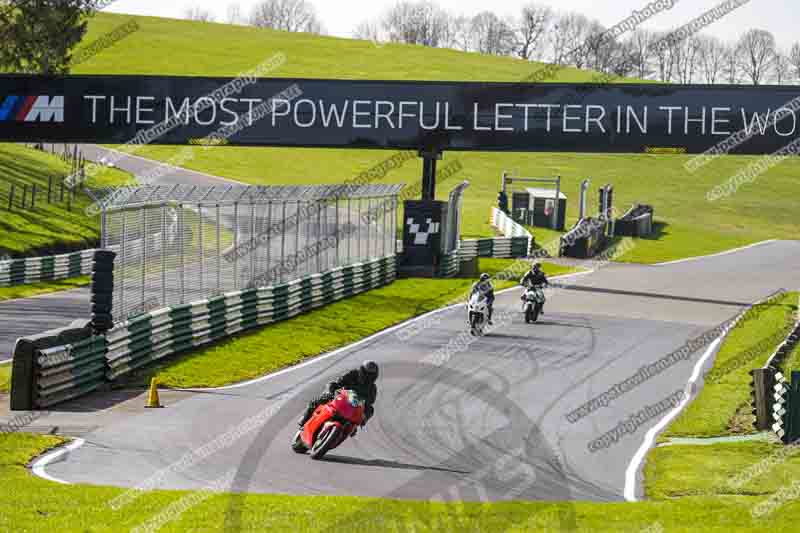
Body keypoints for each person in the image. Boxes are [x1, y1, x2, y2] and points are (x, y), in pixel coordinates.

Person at [298, 360, 379, 430]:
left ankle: (354, 426)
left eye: (370, 375)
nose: (368, 376)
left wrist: (364, 417)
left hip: (353, 406)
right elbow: (340, 380)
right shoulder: (353, 373)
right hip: (340, 396)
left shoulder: (372, 388)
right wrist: (333, 388)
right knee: (321, 399)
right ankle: (304, 419)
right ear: (362, 370)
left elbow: (369, 403)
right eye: (366, 373)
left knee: (370, 409)